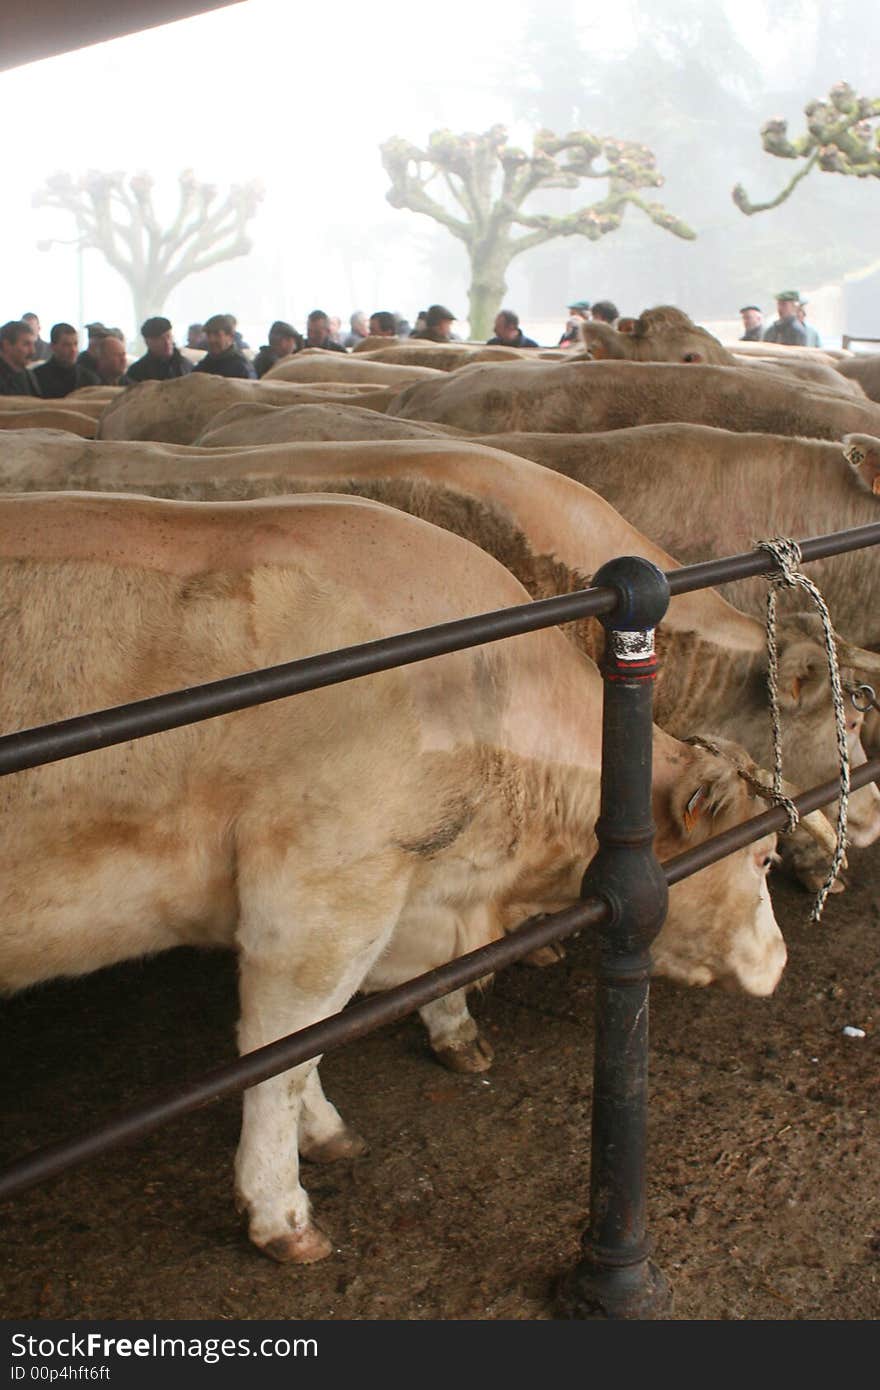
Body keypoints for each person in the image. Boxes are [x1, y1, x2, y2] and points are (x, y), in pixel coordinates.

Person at [32, 323, 100, 397]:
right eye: (67, 345)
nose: (73, 350)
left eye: (75, 344)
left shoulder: (89, 378)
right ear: (53, 347)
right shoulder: (37, 377)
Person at [124, 316, 193, 384]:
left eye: (168, 336)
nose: (167, 342)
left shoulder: (186, 365)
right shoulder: (137, 371)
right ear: (148, 342)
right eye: (160, 339)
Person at [192, 313, 256, 378]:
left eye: (217, 335)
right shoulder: (204, 364)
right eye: (208, 335)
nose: (212, 340)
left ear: (230, 336)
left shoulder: (241, 367)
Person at [0, 320, 41, 395]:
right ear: (7, 345)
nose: (33, 351)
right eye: (26, 344)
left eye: (33, 344)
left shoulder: (29, 375)